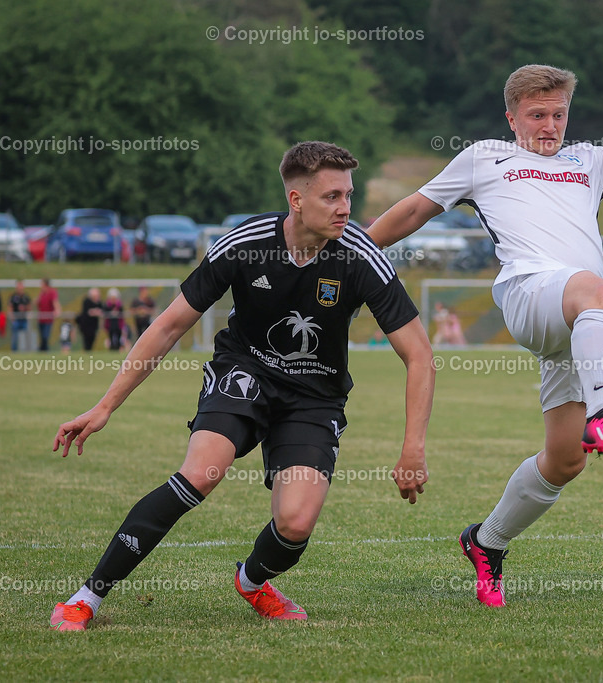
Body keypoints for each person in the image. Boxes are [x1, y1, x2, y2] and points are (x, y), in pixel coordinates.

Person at [368, 64, 603, 607]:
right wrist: (354, 251)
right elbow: (412, 210)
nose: (550, 125)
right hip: (529, 295)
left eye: (558, 114)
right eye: (537, 115)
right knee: (600, 292)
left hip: (576, 325)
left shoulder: (589, 160)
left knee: (565, 459)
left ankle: (487, 540)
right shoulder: (484, 158)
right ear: (511, 118)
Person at [49, 141, 433, 631]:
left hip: (315, 396)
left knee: (295, 523)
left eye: (348, 195)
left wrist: (412, 449)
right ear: (296, 200)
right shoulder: (245, 242)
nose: (346, 208)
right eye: (332, 196)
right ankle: (87, 597)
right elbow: (168, 326)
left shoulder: (359, 256)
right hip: (245, 372)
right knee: (202, 473)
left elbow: (419, 355)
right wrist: (105, 407)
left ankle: (252, 582)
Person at [37, 278, 61, 352]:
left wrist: (57, 310)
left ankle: (45, 350)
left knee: (45, 336)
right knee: (42, 336)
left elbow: (55, 302)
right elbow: (38, 303)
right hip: (41, 319)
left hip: (48, 319)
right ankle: (42, 350)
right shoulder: (42, 293)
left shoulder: (52, 292)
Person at [9, 279, 32, 352]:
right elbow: (10, 307)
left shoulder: (26, 297)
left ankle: (27, 351)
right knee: (15, 337)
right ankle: (14, 351)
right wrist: (12, 317)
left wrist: (25, 309)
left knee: (26, 336)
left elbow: (29, 308)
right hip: (16, 320)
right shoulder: (13, 297)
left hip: (24, 320)